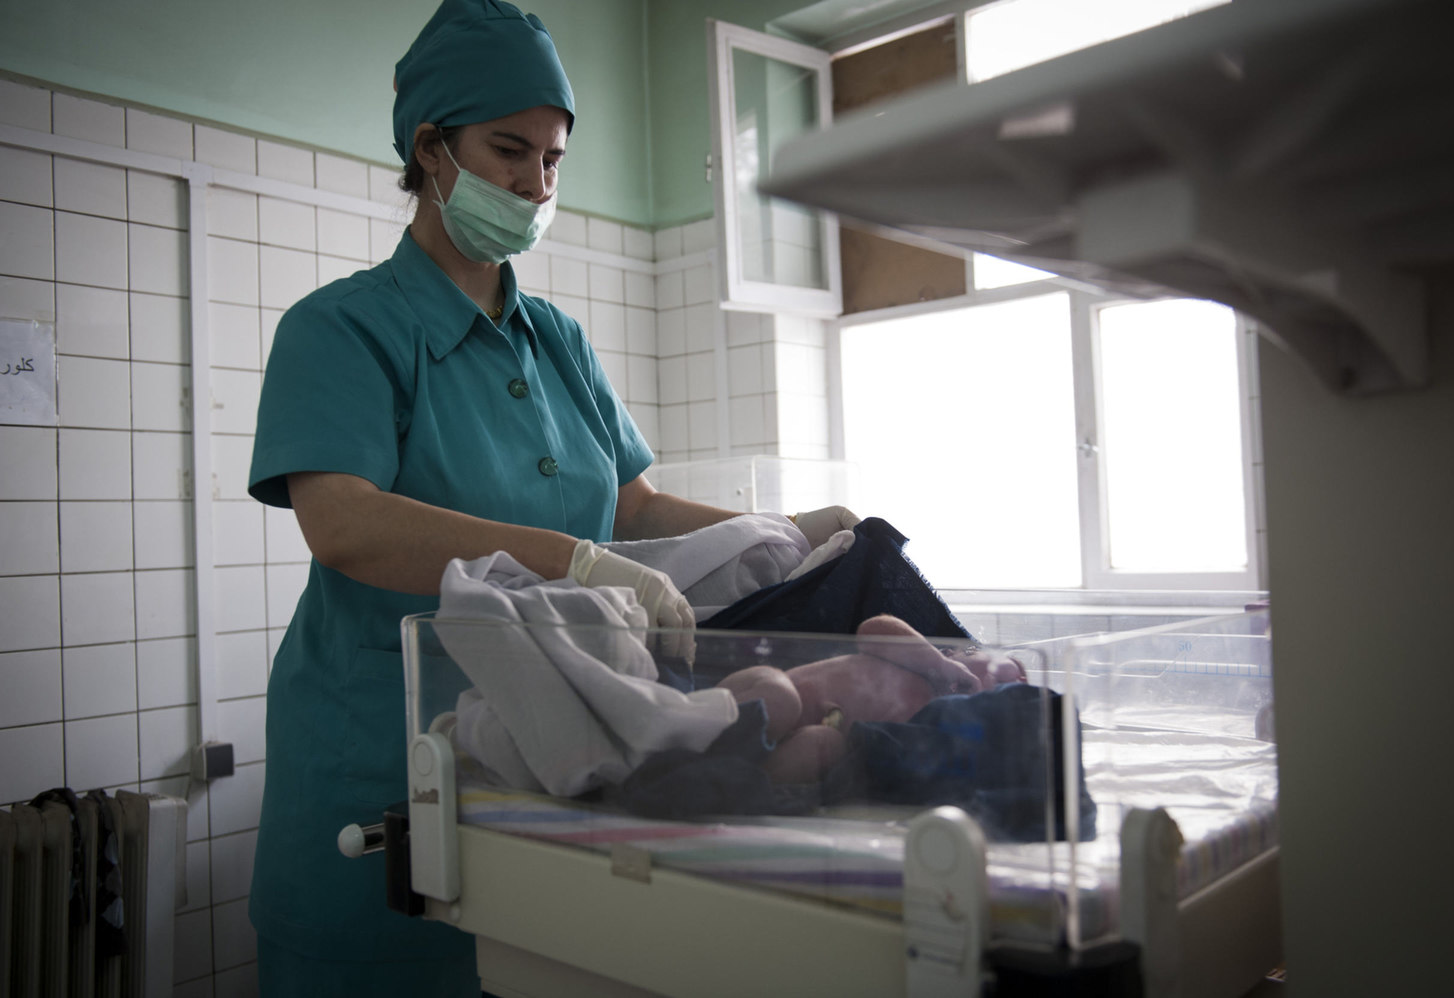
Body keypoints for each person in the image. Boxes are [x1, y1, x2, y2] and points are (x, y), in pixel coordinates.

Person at [245, 1, 858, 991]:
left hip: (555, 770)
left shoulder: (559, 341)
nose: (536, 183)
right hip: (384, 769)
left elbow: (636, 507)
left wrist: (789, 537)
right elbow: (345, 523)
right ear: (430, 148)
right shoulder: (342, 329)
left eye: (554, 159)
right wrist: (567, 558)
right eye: (508, 150)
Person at [716, 616, 1027, 784]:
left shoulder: (935, 725)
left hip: (788, 742)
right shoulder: (919, 660)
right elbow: (872, 629)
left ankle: (731, 786)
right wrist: (939, 665)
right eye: (1000, 675)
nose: (994, 688)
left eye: (1003, 694)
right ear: (955, 653)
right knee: (782, 700)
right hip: (762, 691)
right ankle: (701, 736)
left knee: (823, 742)